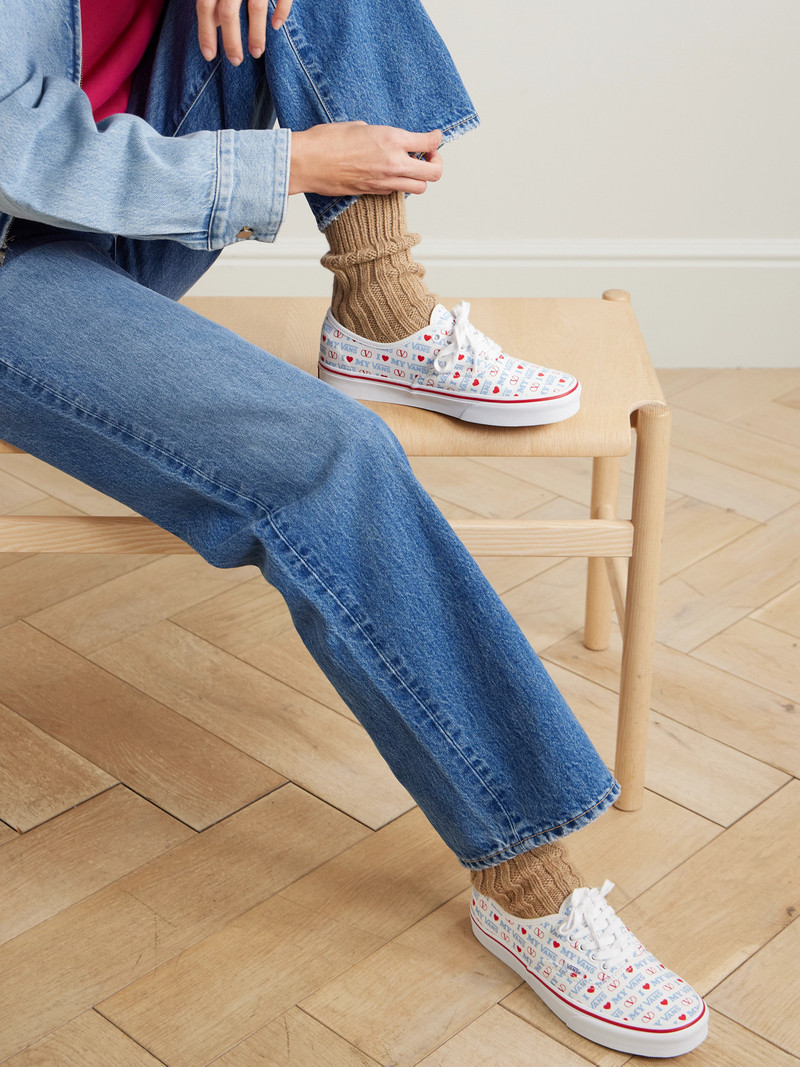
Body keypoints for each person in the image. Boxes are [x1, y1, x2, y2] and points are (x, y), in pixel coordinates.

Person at [0, 0, 707, 1056]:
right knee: (334, 457)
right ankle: (530, 886)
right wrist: (286, 163)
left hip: (110, 214)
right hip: (15, 267)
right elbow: (18, 150)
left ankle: (382, 305)